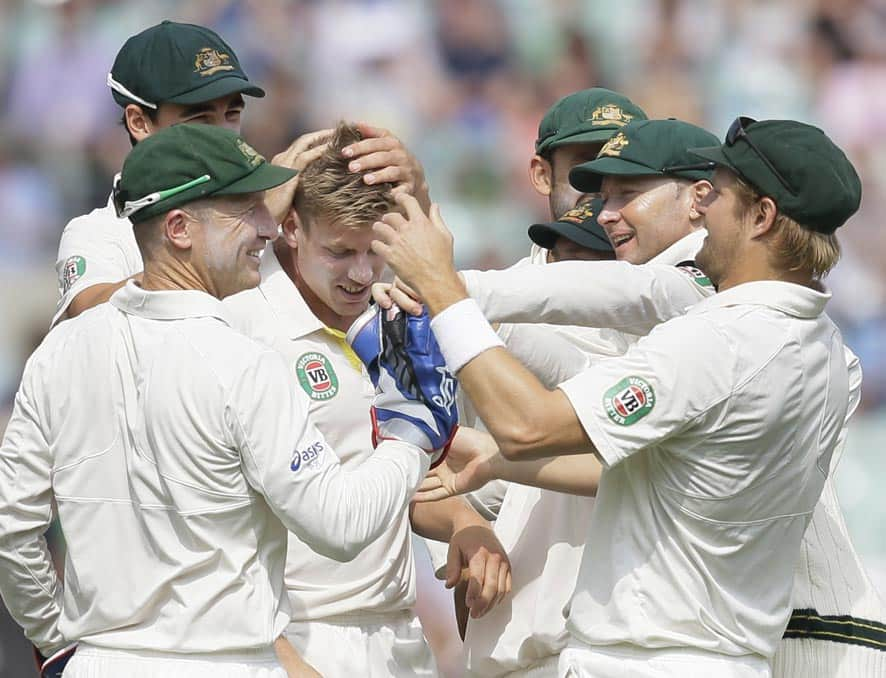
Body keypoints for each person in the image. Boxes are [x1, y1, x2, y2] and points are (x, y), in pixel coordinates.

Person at [366, 117, 861, 677]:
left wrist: (443, 290)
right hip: (726, 658)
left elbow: (527, 424)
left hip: (647, 661)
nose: (703, 212)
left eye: (717, 196)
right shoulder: (828, 350)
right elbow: (654, 468)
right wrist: (499, 458)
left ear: (763, 217)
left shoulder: (723, 340)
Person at [0, 124, 453, 678]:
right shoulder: (245, 360)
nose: (268, 227)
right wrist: (413, 427)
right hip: (227, 662)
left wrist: (59, 642)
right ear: (179, 228)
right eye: (245, 209)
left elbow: (11, 529)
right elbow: (340, 524)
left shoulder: (59, 351)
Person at [223, 122, 511, 677]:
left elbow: (389, 477)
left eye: (373, 249)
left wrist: (463, 523)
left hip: (400, 639)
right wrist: (281, 658)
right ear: (290, 229)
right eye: (339, 252)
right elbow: (213, 529)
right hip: (292, 641)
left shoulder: (392, 320)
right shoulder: (243, 329)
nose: (360, 273)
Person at [51, 20, 401, 327]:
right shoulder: (99, 233)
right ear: (139, 122)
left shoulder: (280, 212)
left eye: (232, 115)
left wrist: (414, 188)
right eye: (200, 119)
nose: (224, 134)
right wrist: (250, 225)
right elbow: (89, 324)